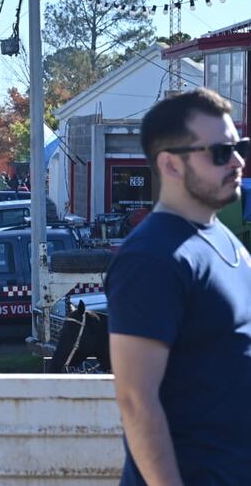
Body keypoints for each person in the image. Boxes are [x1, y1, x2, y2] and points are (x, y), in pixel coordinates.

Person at [105, 88, 251, 486]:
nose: (238, 161)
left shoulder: (227, 242)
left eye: (239, 147)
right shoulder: (152, 258)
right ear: (170, 165)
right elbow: (137, 402)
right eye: (220, 152)